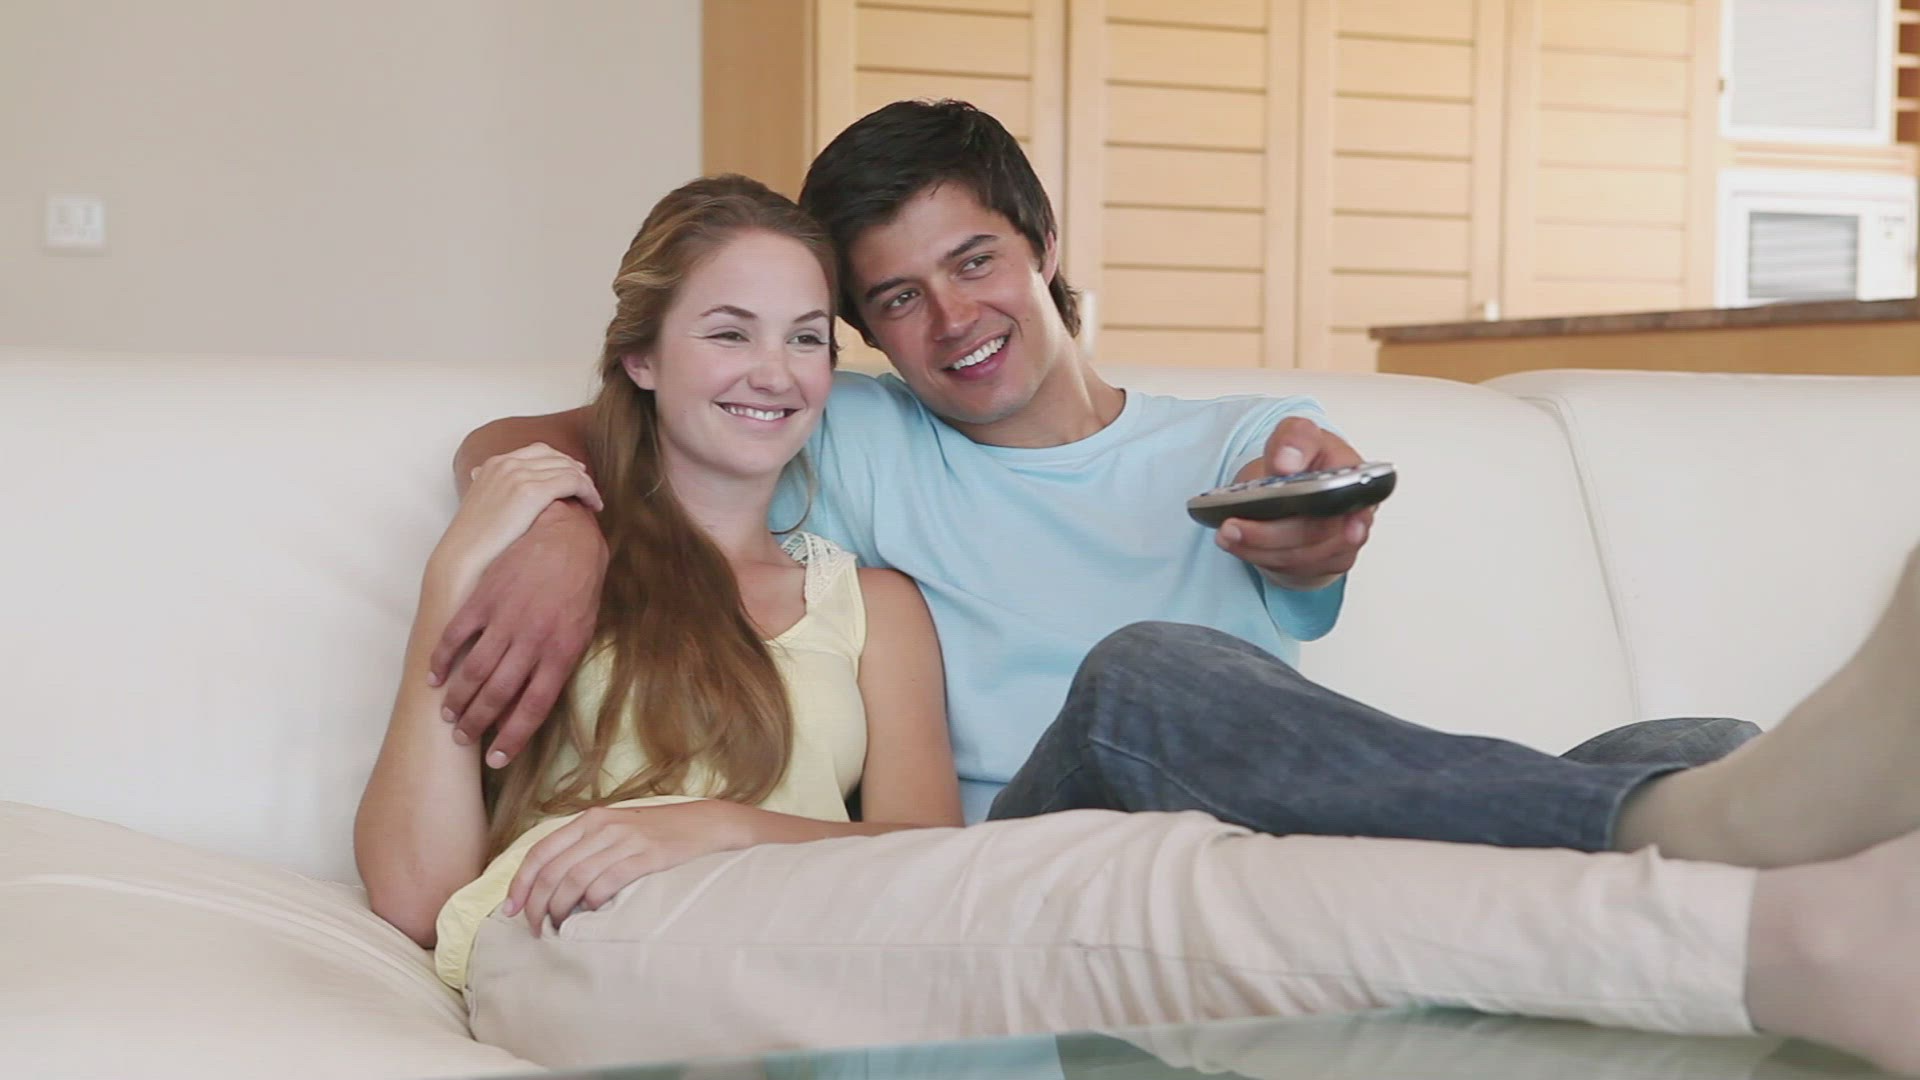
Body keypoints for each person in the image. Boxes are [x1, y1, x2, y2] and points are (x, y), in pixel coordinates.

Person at [353, 174, 1920, 1076]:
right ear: (641, 356)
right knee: (1148, 762)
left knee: (1665, 746)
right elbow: (424, 891)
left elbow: (915, 858)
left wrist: (720, 825)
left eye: (805, 338)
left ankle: (1743, 853)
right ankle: (1738, 879)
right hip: (613, 929)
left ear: (1047, 256)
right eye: (730, 333)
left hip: (954, 892)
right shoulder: (571, 529)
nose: (778, 370)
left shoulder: (874, 591)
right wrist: (530, 532)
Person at [435, 99, 1920, 875]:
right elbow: (537, 429)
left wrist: (1314, 536)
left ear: (1043, 245)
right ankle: (1651, 834)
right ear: (865, 333)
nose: (950, 320)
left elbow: (1306, 520)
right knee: (1142, 678)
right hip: (1029, 865)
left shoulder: (1239, 443)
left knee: (1699, 745)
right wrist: (561, 530)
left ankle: (1697, 827)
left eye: (975, 262)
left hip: (1266, 856)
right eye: (893, 300)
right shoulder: (856, 433)